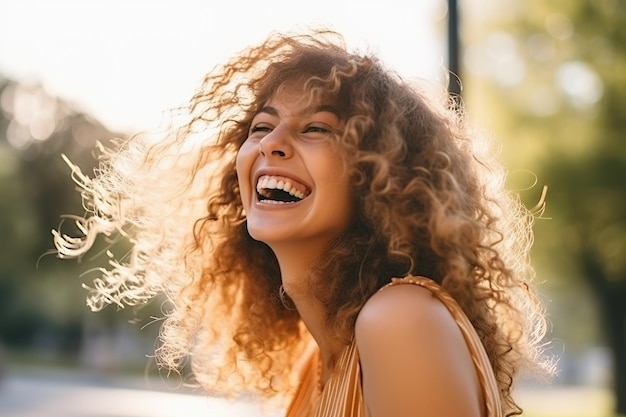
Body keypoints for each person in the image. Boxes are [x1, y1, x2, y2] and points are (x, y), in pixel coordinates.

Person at [53, 29, 554, 416]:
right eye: (262, 126)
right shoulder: (316, 362)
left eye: (316, 128)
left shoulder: (400, 319)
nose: (272, 143)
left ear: (379, 177)